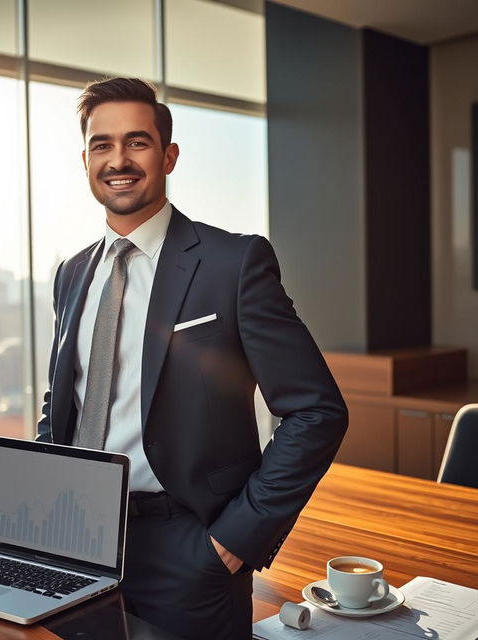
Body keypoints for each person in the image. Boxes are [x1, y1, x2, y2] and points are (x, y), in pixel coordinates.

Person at [37, 77, 348, 640]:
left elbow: (316, 411)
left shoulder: (233, 263)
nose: (118, 160)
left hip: (187, 546)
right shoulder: (72, 273)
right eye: (102, 145)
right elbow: (63, 399)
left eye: (137, 142)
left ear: (168, 154)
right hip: (75, 539)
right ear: (85, 160)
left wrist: (232, 541)